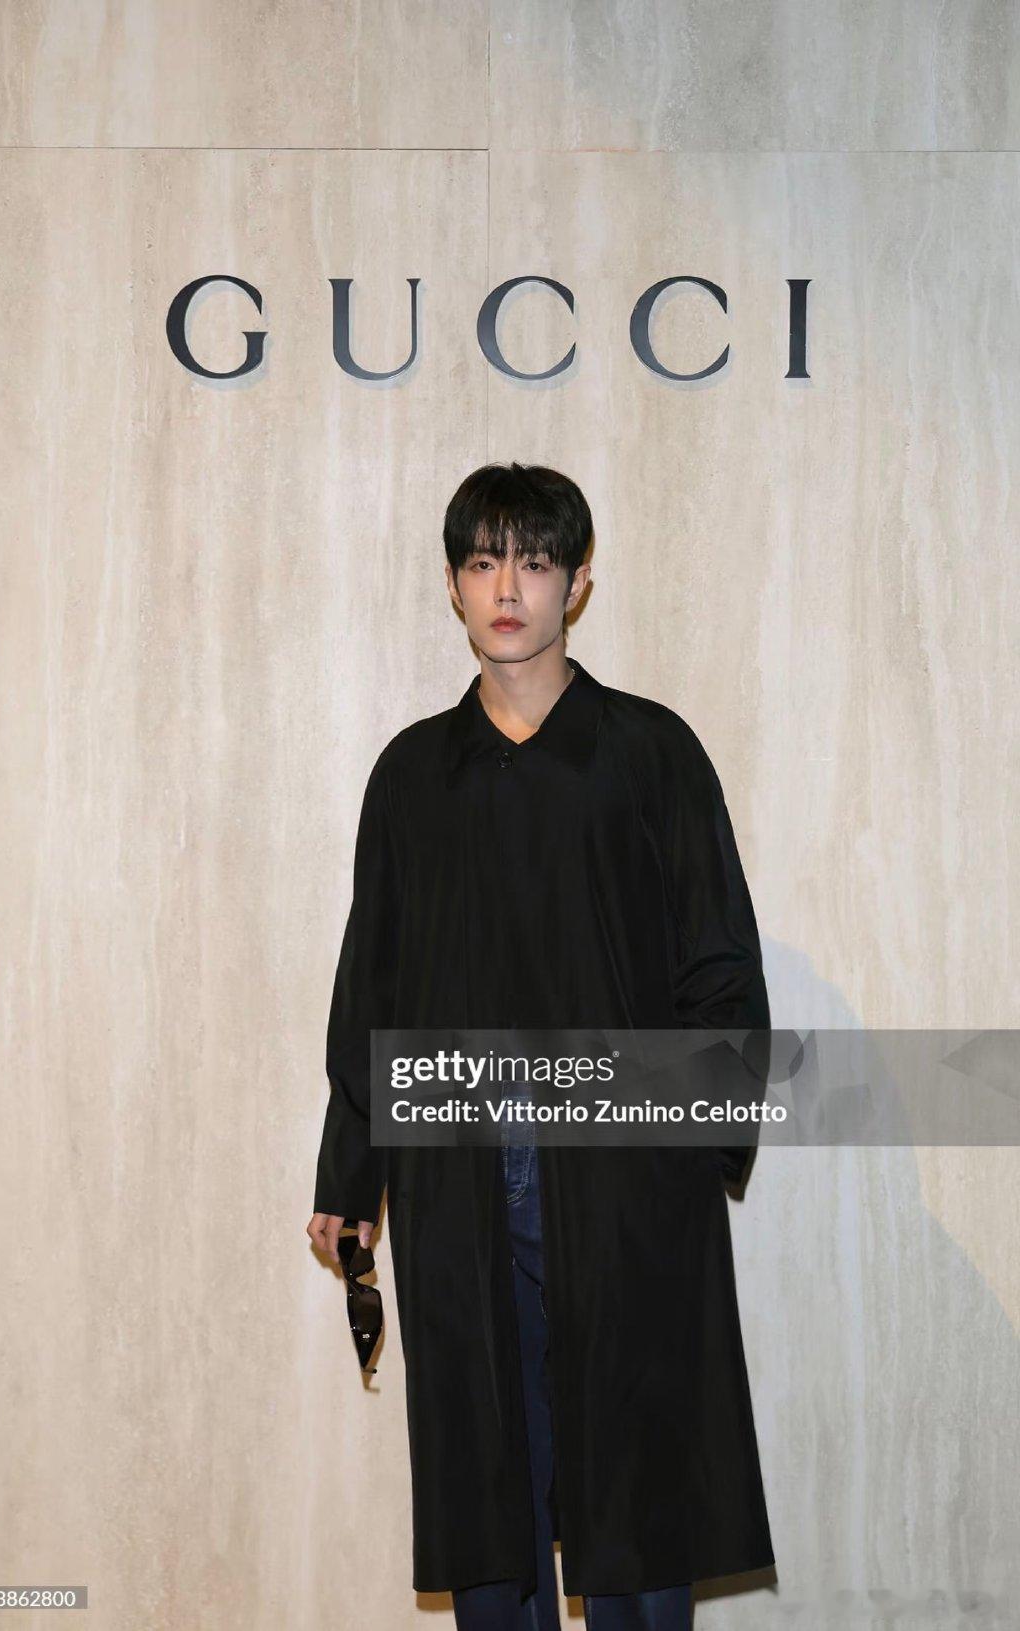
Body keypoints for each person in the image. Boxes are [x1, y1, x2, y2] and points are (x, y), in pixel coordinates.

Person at [308, 463, 775, 1630]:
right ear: (454, 586)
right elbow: (374, 986)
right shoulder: (415, 775)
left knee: (635, 1482)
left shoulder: (650, 754)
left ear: (578, 581)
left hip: (623, 1179)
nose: (507, 588)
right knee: (488, 1479)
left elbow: (720, 964)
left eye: (533, 561)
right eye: (482, 562)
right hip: (461, 1181)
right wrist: (349, 1176)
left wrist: (686, 1146)